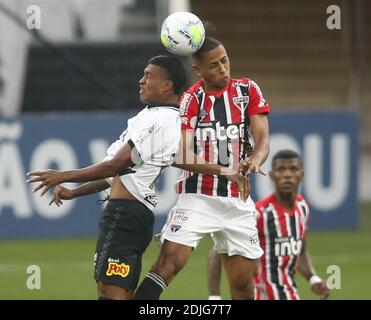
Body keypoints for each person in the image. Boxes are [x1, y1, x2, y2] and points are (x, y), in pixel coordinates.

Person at [27, 55, 248, 300]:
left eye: (148, 76)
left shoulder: (161, 120)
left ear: (168, 86)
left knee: (110, 296)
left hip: (124, 218)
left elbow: (117, 164)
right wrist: (74, 191)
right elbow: (119, 170)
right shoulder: (155, 117)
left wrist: (62, 176)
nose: (141, 81)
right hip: (129, 217)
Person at [133, 37, 270, 300]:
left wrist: (256, 158)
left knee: (242, 285)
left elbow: (263, 140)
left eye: (225, 61)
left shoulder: (247, 90)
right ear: (198, 70)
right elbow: (181, 154)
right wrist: (224, 171)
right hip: (198, 197)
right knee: (168, 265)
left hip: (237, 202)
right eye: (214, 65)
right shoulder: (191, 99)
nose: (223, 69)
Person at [207, 149, 331, 300]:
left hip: (290, 294)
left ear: (301, 175)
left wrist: (313, 279)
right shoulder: (260, 213)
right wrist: (214, 297)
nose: (287, 175)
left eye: (293, 169)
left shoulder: (302, 207)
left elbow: (299, 250)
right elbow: (216, 251)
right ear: (272, 175)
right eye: (281, 170)